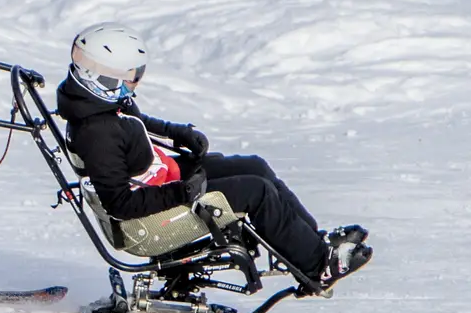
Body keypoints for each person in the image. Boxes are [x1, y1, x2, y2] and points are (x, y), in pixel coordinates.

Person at [55, 22, 369, 293]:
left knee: (254, 166)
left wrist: (178, 133)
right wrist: (182, 191)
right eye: (130, 75)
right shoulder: (97, 132)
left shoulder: (96, 103)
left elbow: (137, 123)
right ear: (103, 77)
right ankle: (318, 266)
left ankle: (314, 244)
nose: (135, 81)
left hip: (165, 180)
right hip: (150, 220)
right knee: (255, 190)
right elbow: (120, 204)